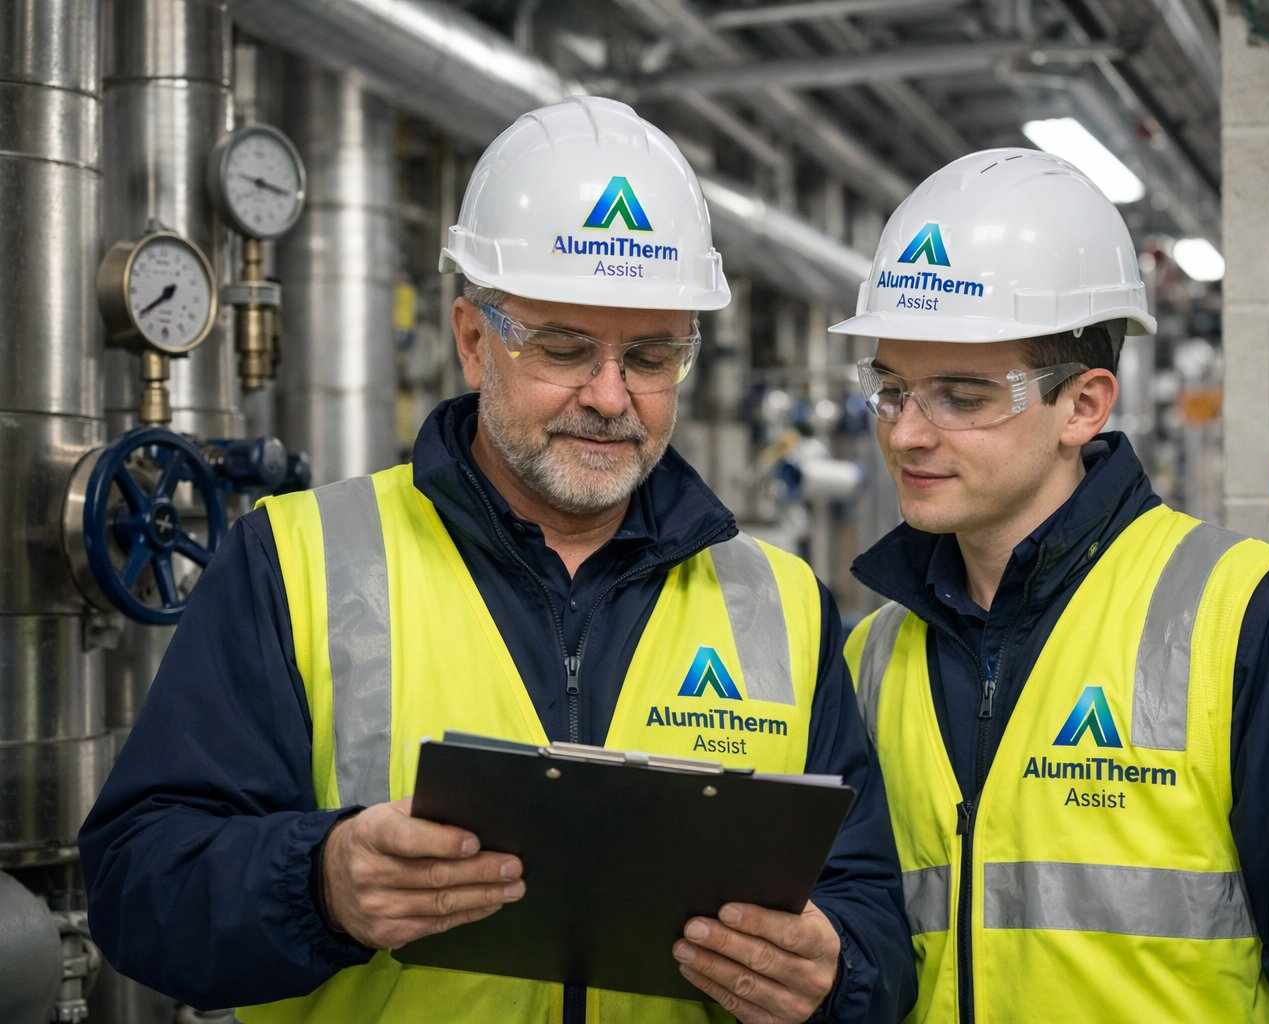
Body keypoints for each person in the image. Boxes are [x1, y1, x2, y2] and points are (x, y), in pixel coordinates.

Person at [79, 97, 915, 1024]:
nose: (610, 396)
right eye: (564, 348)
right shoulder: (298, 563)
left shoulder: (780, 601)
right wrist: (318, 885)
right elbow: (136, 885)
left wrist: (835, 977)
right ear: (474, 341)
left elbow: (871, 916)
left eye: (649, 357)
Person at [833, 149, 1269, 1023]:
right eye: (892, 389)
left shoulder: (1251, 619)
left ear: (1085, 405)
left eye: (961, 396)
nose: (906, 433)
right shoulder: (872, 653)